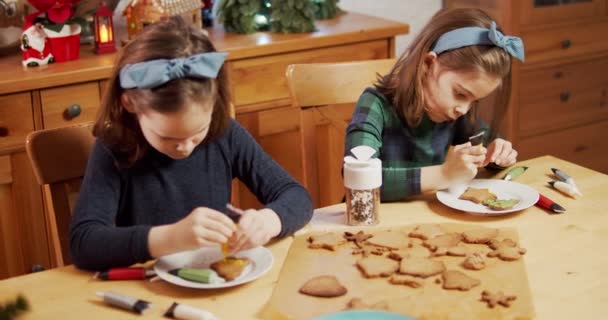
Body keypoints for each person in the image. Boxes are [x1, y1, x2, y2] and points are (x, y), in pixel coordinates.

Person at [70, 17, 313, 270]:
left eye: (197, 132)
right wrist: (171, 238)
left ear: (214, 104)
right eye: (167, 137)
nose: (185, 147)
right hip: (144, 291)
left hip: (215, 284)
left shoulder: (226, 135)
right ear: (130, 103)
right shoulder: (114, 147)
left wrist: (269, 220)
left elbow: (297, 197)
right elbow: (84, 243)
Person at [345, 8, 524, 202]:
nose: (463, 109)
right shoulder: (375, 105)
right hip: (371, 220)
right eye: (460, 94)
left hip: (427, 219)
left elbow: (486, 144)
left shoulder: (457, 113)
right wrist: (444, 175)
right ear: (429, 64)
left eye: (475, 100)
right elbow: (356, 176)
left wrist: (497, 155)